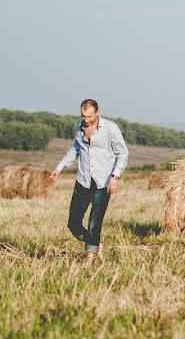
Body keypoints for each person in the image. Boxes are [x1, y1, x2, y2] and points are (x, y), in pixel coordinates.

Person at [50, 99, 129, 263]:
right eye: (83, 116)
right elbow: (75, 149)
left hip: (103, 183)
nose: (86, 120)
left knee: (94, 222)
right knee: (73, 224)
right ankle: (95, 244)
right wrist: (59, 168)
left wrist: (115, 177)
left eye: (89, 116)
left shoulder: (110, 128)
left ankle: (89, 260)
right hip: (83, 181)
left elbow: (123, 154)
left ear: (97, 113)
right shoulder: (80, 127)